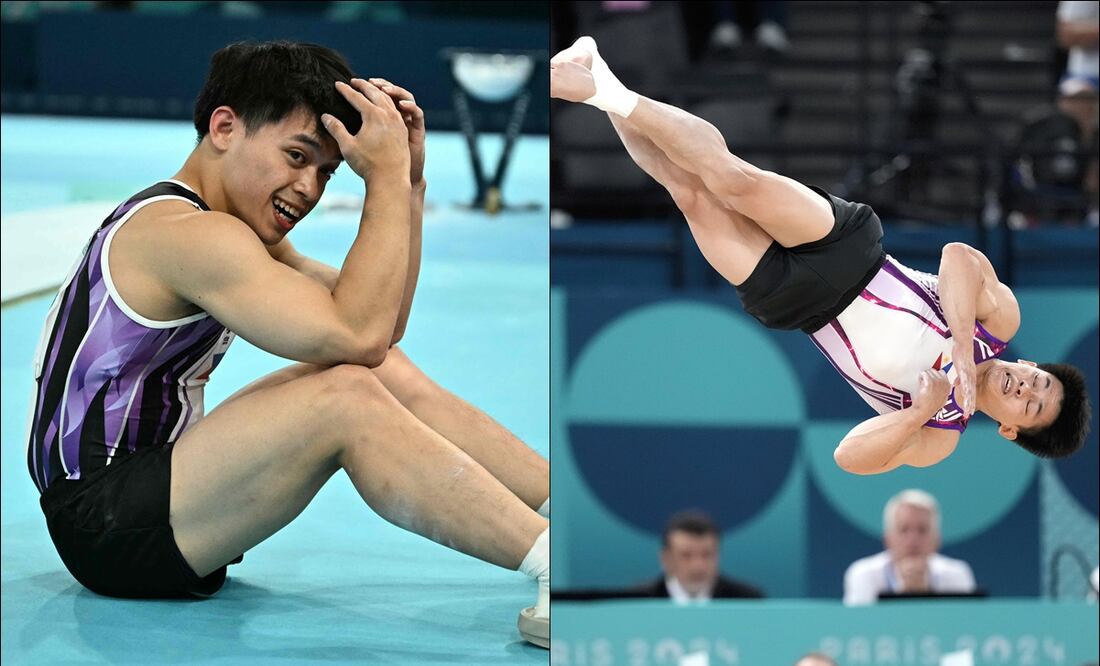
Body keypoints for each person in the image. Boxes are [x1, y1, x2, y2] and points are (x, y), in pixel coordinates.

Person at [27, 41, 549, 648]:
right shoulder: (190, 236)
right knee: (344, 394)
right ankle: (554, 564)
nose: (308, 188)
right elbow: (360, 331)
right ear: (225, 127)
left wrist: (405, 183)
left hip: (150, 499)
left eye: (326, 172)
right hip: (106, 524)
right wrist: (378, 178)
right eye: (297, 156)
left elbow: (382, 327)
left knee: (374, 372)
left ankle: (563, 512)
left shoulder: (219, 226)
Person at [550, 36, 1092, 475]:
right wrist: (958, 341)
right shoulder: (999, 323)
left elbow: (850, 458)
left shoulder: (938, 439)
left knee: (687, 192)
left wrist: (918, 414)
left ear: (1011, 429)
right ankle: (602, 92)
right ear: (1031, 364)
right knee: (734, 180)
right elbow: (958, 257)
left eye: (1032, 405)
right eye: (1039, 381)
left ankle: (597, 75)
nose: (1026, 389)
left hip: (800, 305)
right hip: (849, 251)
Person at [843, 489, 976, 605]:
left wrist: (923, 594)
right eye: (904, 529)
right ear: (887, 539)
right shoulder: (862, 574)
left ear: (937, 540)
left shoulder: (958, 574)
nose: (913, 539)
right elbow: (860, 628)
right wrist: (905, 594)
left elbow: (963, 626)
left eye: (922, 530)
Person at [634, 510, 763, 602]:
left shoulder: (746, 601)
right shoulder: (638, 602)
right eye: (686, 555)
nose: (698, 566)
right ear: (665, 558)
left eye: (707, 555)